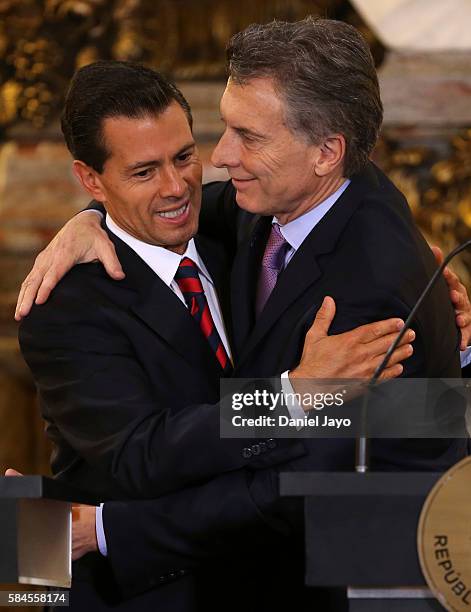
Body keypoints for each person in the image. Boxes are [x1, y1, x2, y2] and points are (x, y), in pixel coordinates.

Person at [16, 17, 471, 612]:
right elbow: (138, 457)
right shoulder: (73, 301)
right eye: (144, 172)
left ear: (327, 151)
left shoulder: (361, 277)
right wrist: (91, 219)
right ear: (91, 179)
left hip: (326, 577)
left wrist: (103, 528)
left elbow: (300, 484)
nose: (210, 168)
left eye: (189, 154)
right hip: (131, 590)